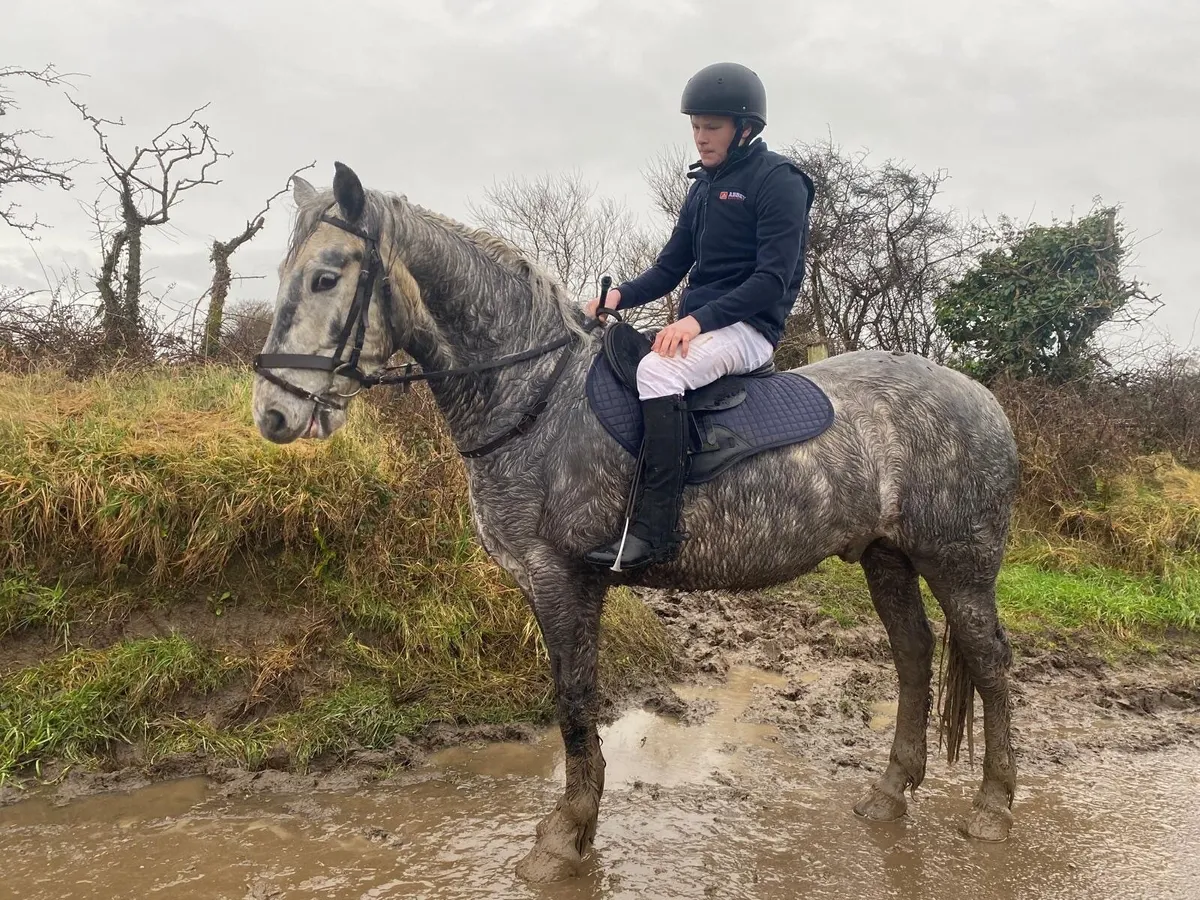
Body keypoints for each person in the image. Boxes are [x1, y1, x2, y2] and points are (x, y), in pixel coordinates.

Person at [583, 61, 815, 571]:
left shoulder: (781, 182)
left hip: (750, 327)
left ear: (745, 128)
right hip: (707, 324)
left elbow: (772, 280)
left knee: (659, 369)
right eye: (694, 126)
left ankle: (656, 531)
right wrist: (614, 297)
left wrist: (697, 321)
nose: (700, 138)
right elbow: (670, 268)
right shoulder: (703, 186)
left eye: (711, 127)